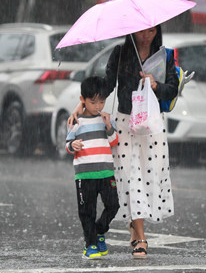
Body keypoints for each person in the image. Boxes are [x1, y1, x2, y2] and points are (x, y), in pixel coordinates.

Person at [73, 26, 179, 258]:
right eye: (142, 31)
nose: (146, 35)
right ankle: (140, 237)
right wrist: (83, 102)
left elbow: (172, 90)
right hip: (125, 123)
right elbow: (107, 85)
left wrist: (155, 86)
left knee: (148, 176)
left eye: (151, 31)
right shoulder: (120, 53)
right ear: (133, 31)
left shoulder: (165, 56)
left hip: (151, 126)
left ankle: (131, 225)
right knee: (131, 178)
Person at [65, 76, 120, 260]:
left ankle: (98, 231)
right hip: (85, 174)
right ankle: (90, 245)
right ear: (83, 100)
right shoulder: (76, 121)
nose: (98, 106)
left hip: (106, 173)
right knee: (87, 211)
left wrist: (109, 126)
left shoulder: (104, 119)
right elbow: (67, 144)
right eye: (93, 102)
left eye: (102, 101)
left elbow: (114, 141)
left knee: (113, 205)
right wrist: (73, 145)